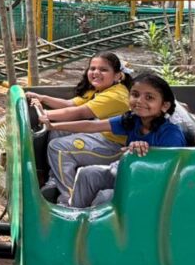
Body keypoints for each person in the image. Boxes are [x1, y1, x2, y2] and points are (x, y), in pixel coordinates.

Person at [44, 73, 185, 207]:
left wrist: (146, 153)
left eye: (149, 97)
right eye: (135, 95)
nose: (139, 101)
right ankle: (75, 215)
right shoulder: (133, 120)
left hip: (150, 185)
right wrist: (53, 126)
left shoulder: (171, 133)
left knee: (105, 197)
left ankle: (96, 222)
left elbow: (170, 173)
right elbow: (92, 126)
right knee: (87, 174)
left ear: (164, 106)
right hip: (129, 173)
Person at [26, 52, 132, 205]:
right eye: (92, 68)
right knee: (58, 131)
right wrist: (43, 98)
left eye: (103, 70)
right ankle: (55, 180)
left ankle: (68, 199)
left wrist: (45, 114)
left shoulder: (115, 96)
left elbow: (80, 113)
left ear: (118, 76)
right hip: (101, 134)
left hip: (114, 147)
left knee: (58, 147)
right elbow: (70, 104)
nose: (96, 73)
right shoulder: (99, 89)